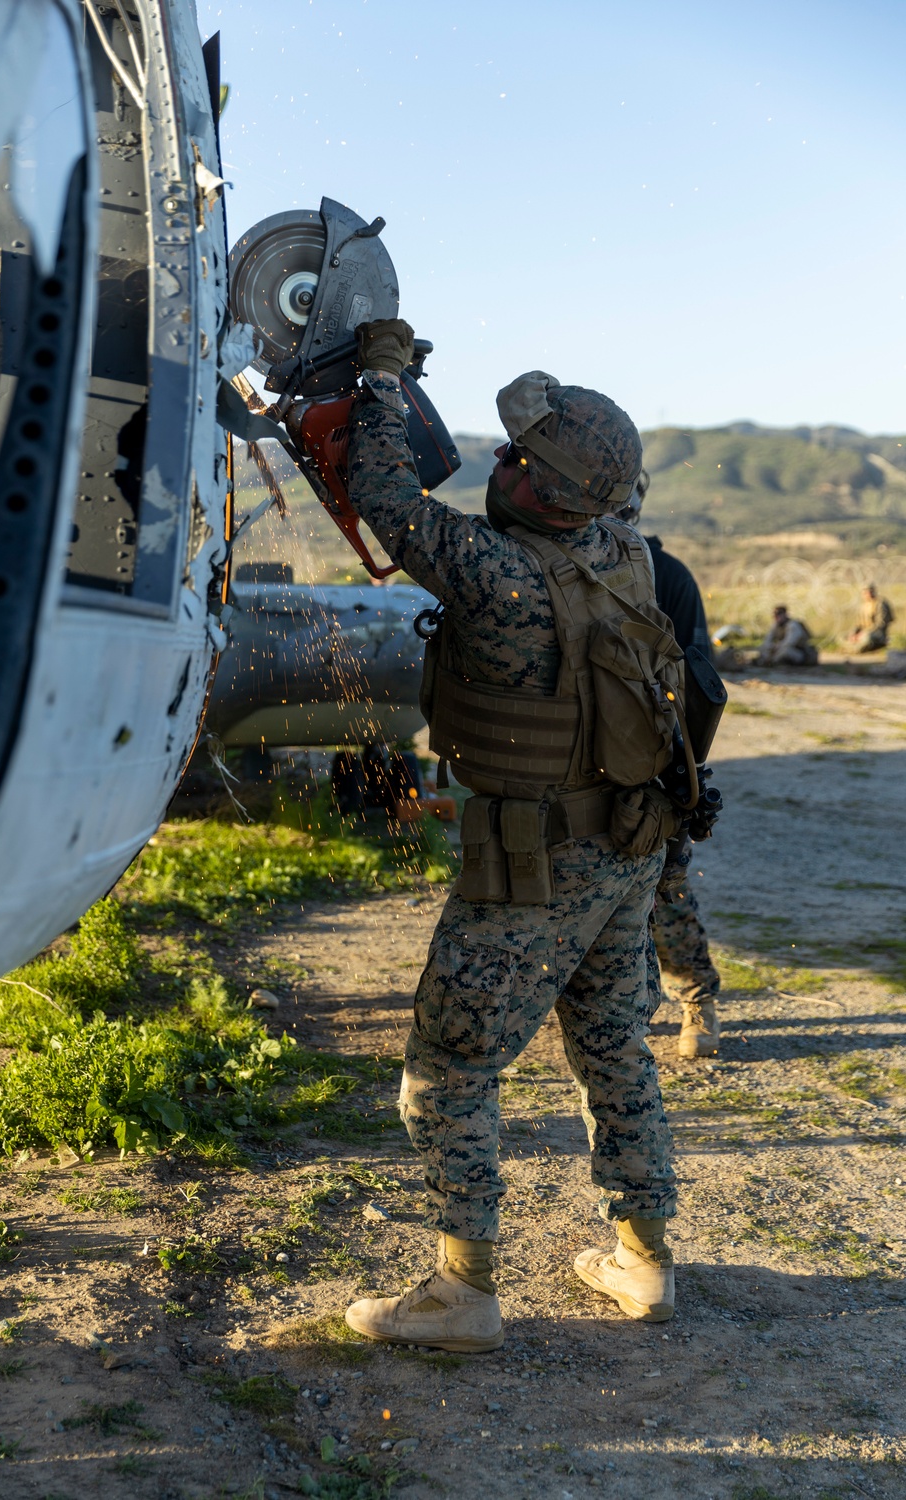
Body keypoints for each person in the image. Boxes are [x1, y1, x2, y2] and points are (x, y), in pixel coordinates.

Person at [340, 321, 681, 1352]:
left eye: (521, 456)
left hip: (532, 863)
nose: (500, 460)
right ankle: (644, 1259)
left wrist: (379, 380)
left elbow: (384, 493)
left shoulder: (493, 574)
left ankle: (463, 1294)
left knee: (448, 1068)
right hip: (626, 847)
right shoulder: (625, 553)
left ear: (552, 491)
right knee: (614, 1043)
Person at [619, 476, 721, 1058]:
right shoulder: (556, 564)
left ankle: (696, 999)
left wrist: (682, 772)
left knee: (667, 891)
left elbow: (698, 679)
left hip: (650, 762)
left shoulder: (667, 575)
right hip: (575, 762)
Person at [848, 584, 894, 653]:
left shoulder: (880, 604)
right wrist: (854, 633)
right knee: (844, 637)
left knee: (866, 638)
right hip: (864, 632)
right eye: (865, 592)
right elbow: (858, 624)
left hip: (877, 633)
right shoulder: (863, 606)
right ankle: (855, 647)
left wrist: (864, 633)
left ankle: (857, 649)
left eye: (870, 591)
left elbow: (880, 624)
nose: (868, 594)